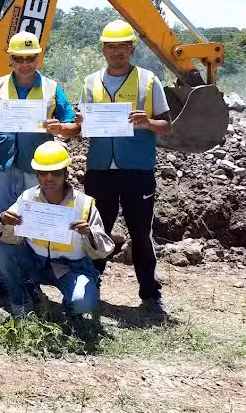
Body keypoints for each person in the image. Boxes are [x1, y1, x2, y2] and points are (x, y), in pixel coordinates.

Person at [78, 20, 172, 316]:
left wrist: (148, 122)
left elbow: (166, 125)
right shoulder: (91, 82)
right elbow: (82, 123)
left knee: (141, 233)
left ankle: (150, 293)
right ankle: (90, 287)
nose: (117, 52)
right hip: (100, 168)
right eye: (111, 47)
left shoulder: (148, 80)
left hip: (137, 169)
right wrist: (80, 123)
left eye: (123, 47)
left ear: (132, 49)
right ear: (103, 50)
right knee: (96, 230)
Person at [0, 31, 78, 300]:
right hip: (0, 164)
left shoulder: (52, 88)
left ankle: (30, 280)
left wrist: (61, 128)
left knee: (33, 222)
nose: (25, 63)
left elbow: (73, 125)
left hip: (37, 167)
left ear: (38, 58)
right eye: (19, 58)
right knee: (0, 220)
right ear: (10, 59)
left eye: (30, 58)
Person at [0, 141, 114, 317]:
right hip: (36, 261)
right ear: (36, 174)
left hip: (72, 267)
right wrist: (5, 221)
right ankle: (22, 304)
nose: (49, 178)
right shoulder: (27, 198)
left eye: (56, 172)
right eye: (43, 173)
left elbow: (103, 251)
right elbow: (8, 238)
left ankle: (71, 310)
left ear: (66, 173)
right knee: (5, 253)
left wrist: (89, 234)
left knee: (82, 302)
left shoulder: (84, 204)